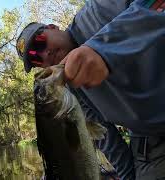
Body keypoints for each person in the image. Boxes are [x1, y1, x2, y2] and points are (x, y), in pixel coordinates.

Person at [16, 0, 165, 179]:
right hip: (149, 142)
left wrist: (102, 49)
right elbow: (107, 140)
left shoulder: (98, 10)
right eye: (36, 60)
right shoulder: (69, 94)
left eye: (40, 43)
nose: (44, 54)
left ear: (53, 27)